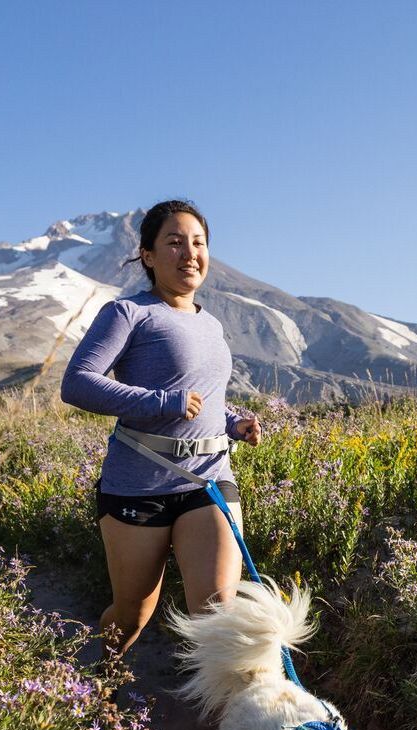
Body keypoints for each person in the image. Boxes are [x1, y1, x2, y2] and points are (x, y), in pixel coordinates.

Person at [60, 199, 261, 667]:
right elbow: (77, 383)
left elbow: (203, 396)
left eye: (198, 242)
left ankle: (222, 724)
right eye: (174, 242)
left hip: (209, 479)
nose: (189, 252)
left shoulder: (211, 323)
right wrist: (160, 403)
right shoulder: (128, 313)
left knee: (218, 613)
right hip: (139, 483)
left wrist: (234, 421)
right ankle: (98, 679)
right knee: (133, 613)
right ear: (148, 256)